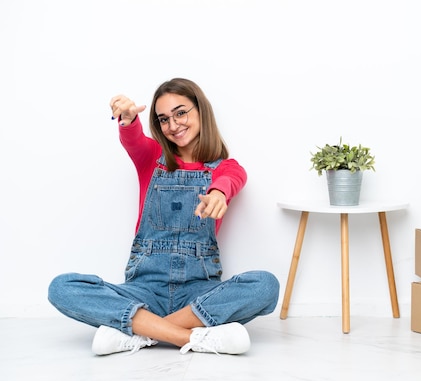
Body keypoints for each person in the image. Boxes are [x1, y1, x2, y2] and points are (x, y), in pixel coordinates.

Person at [48, 78, 279, 356]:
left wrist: (218, 193)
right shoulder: (152, 158)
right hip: (144, 292)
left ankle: (141, 332)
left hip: (198, 294)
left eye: (181, 112)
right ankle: (191, 337)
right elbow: (133, 139)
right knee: (61, 287)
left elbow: (233, 177)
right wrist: (128, 119)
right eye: (163, 119)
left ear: (200, 110)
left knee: (266, 285)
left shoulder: (223, 167)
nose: (173, 125)